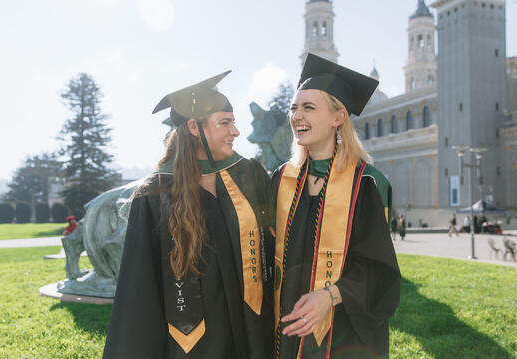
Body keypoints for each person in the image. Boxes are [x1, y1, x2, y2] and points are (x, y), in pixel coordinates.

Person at [103, 71, 274, 359]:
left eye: (234, 122)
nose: (235, 132)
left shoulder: (249, 176)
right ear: (194, 127)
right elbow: (140, 289)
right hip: (194, 344)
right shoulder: (156, 194)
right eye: (225, 123)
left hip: (253, 331)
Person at [272, 54, 400, 359]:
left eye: (309, 107)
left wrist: (330, 296)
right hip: (287, 329)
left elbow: (378, 269)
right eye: (294, 108)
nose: (296, 116)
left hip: (344, 334)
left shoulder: (367, 184)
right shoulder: (281, 179)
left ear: (338, 117)